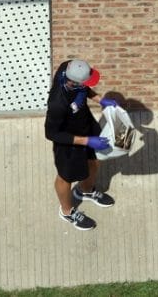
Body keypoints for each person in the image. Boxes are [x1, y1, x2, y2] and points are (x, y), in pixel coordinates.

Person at [45, 59, 119, 231]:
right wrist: (86, 141)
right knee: (65, 177)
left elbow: (85, 88)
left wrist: (100, 100)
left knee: (94, 160)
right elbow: (51, 133)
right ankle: (67, 211)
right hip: (68, 141)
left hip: (86, 125)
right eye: (85, 81)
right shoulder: (57, 104)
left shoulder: (69, 66)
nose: (87, 84)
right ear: (73, 82)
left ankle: (85, 191)